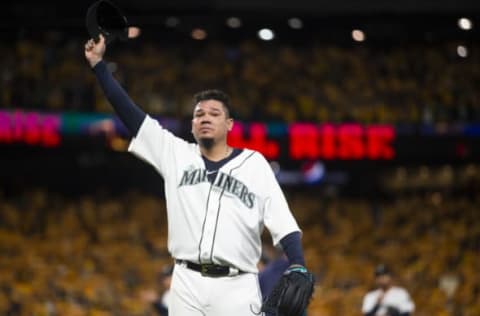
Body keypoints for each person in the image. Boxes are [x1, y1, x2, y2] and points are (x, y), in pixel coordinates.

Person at [84, 35, 308, 316]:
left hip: (237, 285)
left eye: (214, 113)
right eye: (198, 114)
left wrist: (298, 262)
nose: (205, 117)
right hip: (186, 283)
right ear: (191, 125)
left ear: (229, 125)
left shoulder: (255, 164)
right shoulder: (175, 154)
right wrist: (99, 65)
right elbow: (130, 115)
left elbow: (283, 223)